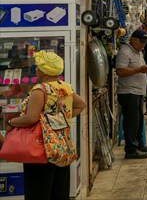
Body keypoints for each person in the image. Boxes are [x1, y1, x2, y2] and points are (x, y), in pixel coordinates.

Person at [5, 51, 86, 200]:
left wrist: (11, 122)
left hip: (40, 149)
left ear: (43, 70)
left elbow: (30, 118)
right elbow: (81, 104)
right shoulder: (65, 88)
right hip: (62, 148)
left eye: (37, 67)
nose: (36, 69)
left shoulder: (40, 90)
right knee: (59, 192)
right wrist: (60, 119)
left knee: (38, 192)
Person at [116, 29, 147, 159]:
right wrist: (139, 69)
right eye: (141, 42)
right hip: (129, 92)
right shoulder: (125, 52)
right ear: (134, 40)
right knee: (131, 122)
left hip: (137, 92)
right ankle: (131, 149)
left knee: (138, 121)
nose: (144, 45)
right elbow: (120, 71)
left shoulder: (137, 51)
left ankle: (139, 144)